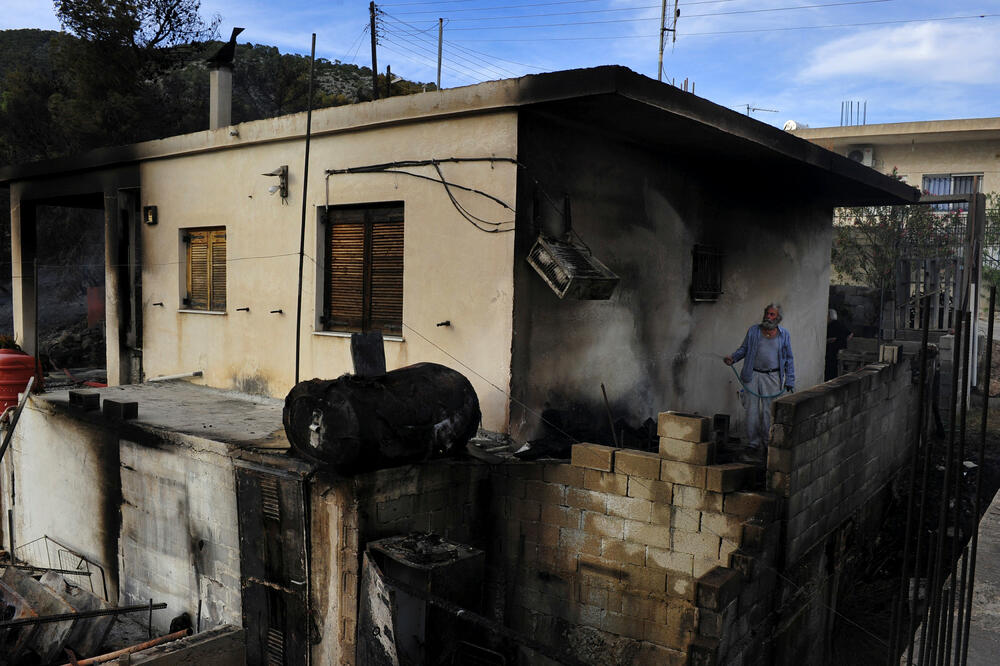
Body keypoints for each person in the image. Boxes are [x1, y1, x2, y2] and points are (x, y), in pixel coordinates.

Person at [724, 303, 795, 462]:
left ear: (778, 318)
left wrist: (789, 380)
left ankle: (767, 442)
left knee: (768, 412)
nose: (768, 317)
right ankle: (753, 444)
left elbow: (789, 359)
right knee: (752, 411)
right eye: (767, 314)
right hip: (752, 375)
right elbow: (744, 349)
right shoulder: (753, 331)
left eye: (772, 315)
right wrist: (733, 358)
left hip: (772, 377)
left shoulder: (784, 335)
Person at [825, 308, 853, 381]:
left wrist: (829, 341)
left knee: (831, 370)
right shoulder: (840, 324)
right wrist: (844, 341)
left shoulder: (830, 326)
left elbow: (830, 339)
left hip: (832, 352)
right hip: (841, 350)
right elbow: (850, 334)